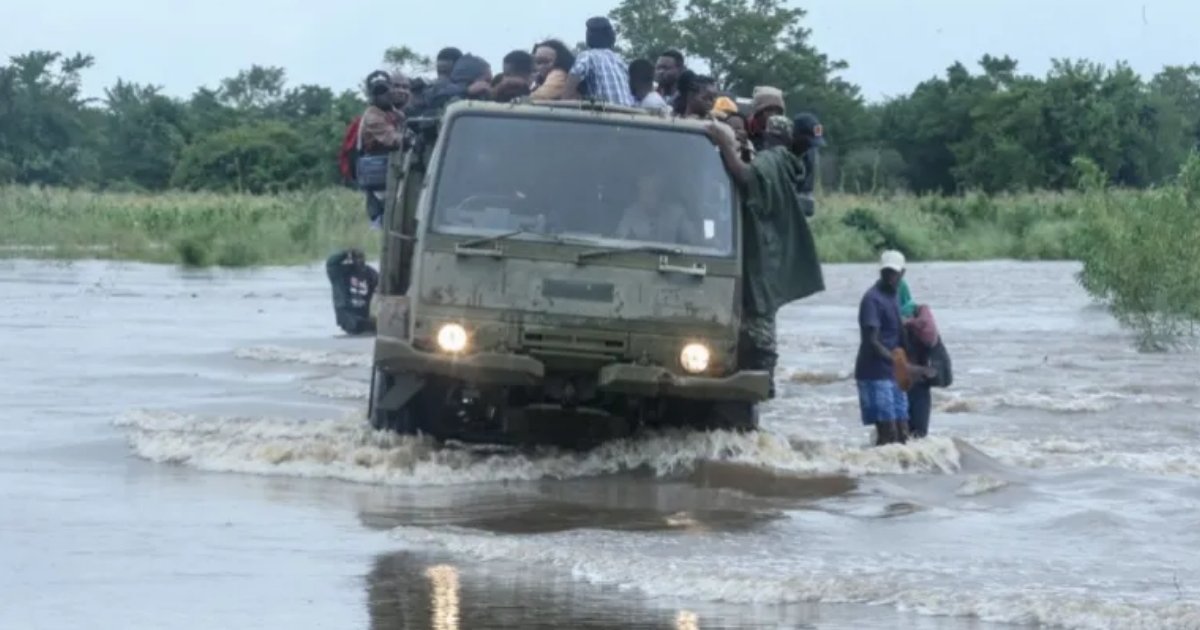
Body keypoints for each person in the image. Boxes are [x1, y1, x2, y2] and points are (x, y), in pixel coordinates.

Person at [708, 114, 826, 399]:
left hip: (759, 256)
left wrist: (724, 144)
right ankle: (762, 385)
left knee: (758, 324)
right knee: (764, 320)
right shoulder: (789, 165)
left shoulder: (772, 160)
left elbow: (745, 176)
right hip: (769, 255)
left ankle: (760, 383)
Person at [855, 250, 929, 446]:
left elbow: (899, 333)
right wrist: (902, 365)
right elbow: (872, 341)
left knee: (903, 434)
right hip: (874, 373)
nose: (889, 277)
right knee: (888, 434)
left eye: (893, 273)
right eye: (886, 272)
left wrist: (913, 363)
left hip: (893, 374)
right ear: (880, 272)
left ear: (902, 273)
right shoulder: (872, 299)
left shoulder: (895, 296)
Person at [358, 71, 404, 227]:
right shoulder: (373, 116)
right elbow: (393, 140)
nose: (383, 95)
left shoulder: (391, 112)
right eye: (378, 92)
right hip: (378, 173)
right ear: (372, 95)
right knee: (380, 218)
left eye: (385, 90)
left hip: (389, 171)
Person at [904, 304, 951, 439]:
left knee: (902, 435)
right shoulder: (922, 316)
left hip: (905, 383)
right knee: (919, 434)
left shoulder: (895, 321)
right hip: (921, 380)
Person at [567, 17, 635, 106]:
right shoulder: (619, 60)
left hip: (606, 114)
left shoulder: (587, 56)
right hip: (629, 113)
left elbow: (574, 76)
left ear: (589, 36)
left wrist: (563, 101)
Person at [616, 174, 701, 245]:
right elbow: (620, 241)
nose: (649, 197)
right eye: (645, 191)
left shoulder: (677, 214)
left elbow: (694, 241)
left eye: (653, 191)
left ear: (661, 193)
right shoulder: (630, 215)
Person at [326, 248, 379, 336]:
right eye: (356, 258)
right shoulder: (341, 272)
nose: (359, 261)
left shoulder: (370, 273)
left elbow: (382, 288)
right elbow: (331, 263)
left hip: (364, 315)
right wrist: (345, 252)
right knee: (357, 325)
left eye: (361, 257)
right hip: (347, 315)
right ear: (351, 259)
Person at [792, 113, 826, 217]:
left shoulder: (810, 154)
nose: (809, 147)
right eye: (808, 142)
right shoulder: (778, 153)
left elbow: (806, 189)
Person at [748, 86, 786, 151]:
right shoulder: (746, 129)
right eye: (769, 110)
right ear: (758, 112)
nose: (773, 114)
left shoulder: (783, 135)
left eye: (778, 111)